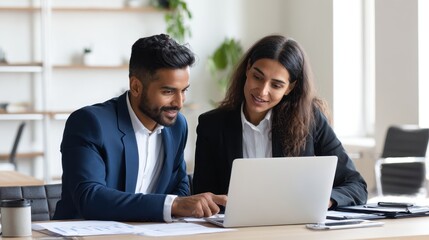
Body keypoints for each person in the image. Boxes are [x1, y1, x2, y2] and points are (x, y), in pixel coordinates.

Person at [53, 34, 226, 222]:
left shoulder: (177, 126)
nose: (179, 102)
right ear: (136, 87)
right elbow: (90, 198)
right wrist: (174, 205)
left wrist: (183, 205)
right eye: (168, 91)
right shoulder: (90, 123)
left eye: (184, 90)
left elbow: (179, 186)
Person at [193, 34, 367, 209]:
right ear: (248, 69)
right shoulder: (212, 125)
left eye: (276, 85)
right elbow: (202, 196)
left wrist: (324, 200)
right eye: (257, 77)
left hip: (292, 229)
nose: (262, 91)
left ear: (289, 88)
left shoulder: (309, 120)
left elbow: (356, 186)